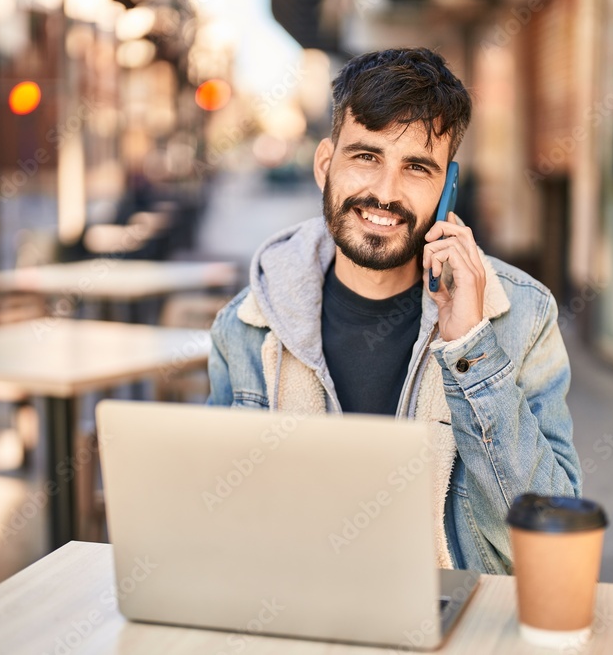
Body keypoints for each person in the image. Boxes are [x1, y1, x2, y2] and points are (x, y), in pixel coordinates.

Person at [207, 47, 581, 573]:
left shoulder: (519, 315)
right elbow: (217, 522)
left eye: (416, 168)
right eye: (366, 157)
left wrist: (472, 349)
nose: (385, 193)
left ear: (448, 188)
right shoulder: (248, 327)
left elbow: (554, 544)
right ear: (324, 165)